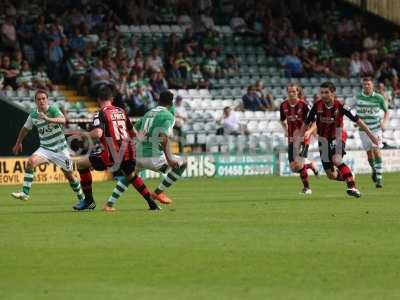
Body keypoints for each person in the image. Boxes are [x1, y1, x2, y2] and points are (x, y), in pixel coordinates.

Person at [70, 86, 160, 211]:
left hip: (112, 154)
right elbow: (134, 134)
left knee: (80, 164)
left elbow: (97, 134)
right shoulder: (121, 111)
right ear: (112, 99)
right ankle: (152, 204)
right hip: (128, 151)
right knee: (131, 175)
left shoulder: (100, 113)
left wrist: (83, 134)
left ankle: (89, 201)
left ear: (98, 99)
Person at [302, 81, 379, 197]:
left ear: (333, 93)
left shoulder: (341, 106)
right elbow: (306, 122)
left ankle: (352, 187)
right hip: (323, 140)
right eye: (321, 92)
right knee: (331, 175)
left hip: (338, 136)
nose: (323, 95)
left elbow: (358, 120)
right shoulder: (316, 106)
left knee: (337, 160)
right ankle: (349, 175)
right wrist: (302, 135)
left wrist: (371, 135)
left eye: (326, 92)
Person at [11, 90, 85, 204]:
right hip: (45, 148)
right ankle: (25, 193)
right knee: (31, 162)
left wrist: (47, 118)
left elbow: (63, 120)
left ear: (47, 99)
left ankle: (82, 198)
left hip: (61, 150)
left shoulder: (53, 110)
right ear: (35, 101)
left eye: (43, 98)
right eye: (39, 99)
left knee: (70, 176)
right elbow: (25, 129)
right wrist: (18, 143)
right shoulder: (33, 115)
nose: (41, 101)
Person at [132, 90, 187, 205]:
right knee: (183, 163)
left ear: (158, 100)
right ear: (171, 103)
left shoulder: (148, 113)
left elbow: (133, 130)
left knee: (129, 175)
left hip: (138, 154)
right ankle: (158, 192)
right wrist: (170, 158)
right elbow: (163, 137)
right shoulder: (168, 116)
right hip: (153, 156)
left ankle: (110, 203)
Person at [280, 84, 319, 194]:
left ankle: (307, 188)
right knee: (293, 168)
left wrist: (309, 131)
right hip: (292, 139)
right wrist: (286, 130)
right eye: (289, 92)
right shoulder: (283, 105)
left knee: (298, 165)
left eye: (293, 91)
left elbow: (316, 121)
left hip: (303, 138)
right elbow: (282, 120)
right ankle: (310, 165)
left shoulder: (304, 105)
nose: (291, 94)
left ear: (298, 92)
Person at [355, 77, 389, 188]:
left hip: (376, 128)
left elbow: (386, 111)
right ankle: (374, 169)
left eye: (368, 84)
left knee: (376, 150)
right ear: (362, 86)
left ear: (372, 85)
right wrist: (356, 120)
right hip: (363, 130)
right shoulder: (358, 97)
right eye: (364, 84)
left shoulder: (379, 98)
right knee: (369, 153)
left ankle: (379, 178)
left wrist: (384, 122)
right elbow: (351, 110)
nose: (366, 86)